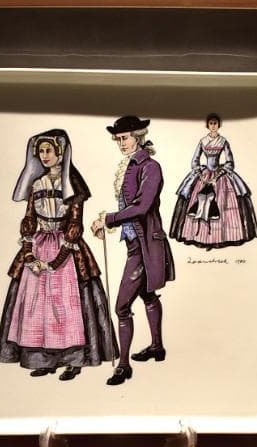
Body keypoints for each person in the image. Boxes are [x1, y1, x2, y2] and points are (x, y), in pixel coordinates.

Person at [0, 129, 115, 381]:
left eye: (49, 150)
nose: (44, 155)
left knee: (67, 307)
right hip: (39, 245)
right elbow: (29, 219)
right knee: (35, 307)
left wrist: (54, 262)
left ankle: (73, 361)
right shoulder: (37, 184)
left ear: (61, 153)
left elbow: (75, 224)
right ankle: (44, 360)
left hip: (66, 249)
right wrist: (29, 256)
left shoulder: (72, 184)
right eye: (41, 151)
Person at [91, 115, 176, 386]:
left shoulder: (151, 167)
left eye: (125, 138)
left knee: (121, 307)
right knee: (148, 295)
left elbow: (140, 207)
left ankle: (124, 366)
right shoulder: (130, 165)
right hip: (135, 242)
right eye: (117, 139)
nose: (121, 143)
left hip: (145, 245)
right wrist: (109, 223)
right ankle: (157, 347)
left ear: (138, 136)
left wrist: (107, 219)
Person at [169, 113, 257, 250]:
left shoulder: (223, 141)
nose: (213, 126)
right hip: (204, 175)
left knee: (224, 203)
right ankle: (199, 237)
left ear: (219, 125)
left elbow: (230, 162)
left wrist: (217, 177)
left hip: (220, 175)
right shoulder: (203, 141)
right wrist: (201, 176)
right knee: (197, 200)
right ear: (207, 125)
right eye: (211, 123)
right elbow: (195, 161)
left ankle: (222, 238)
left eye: (215, 123)